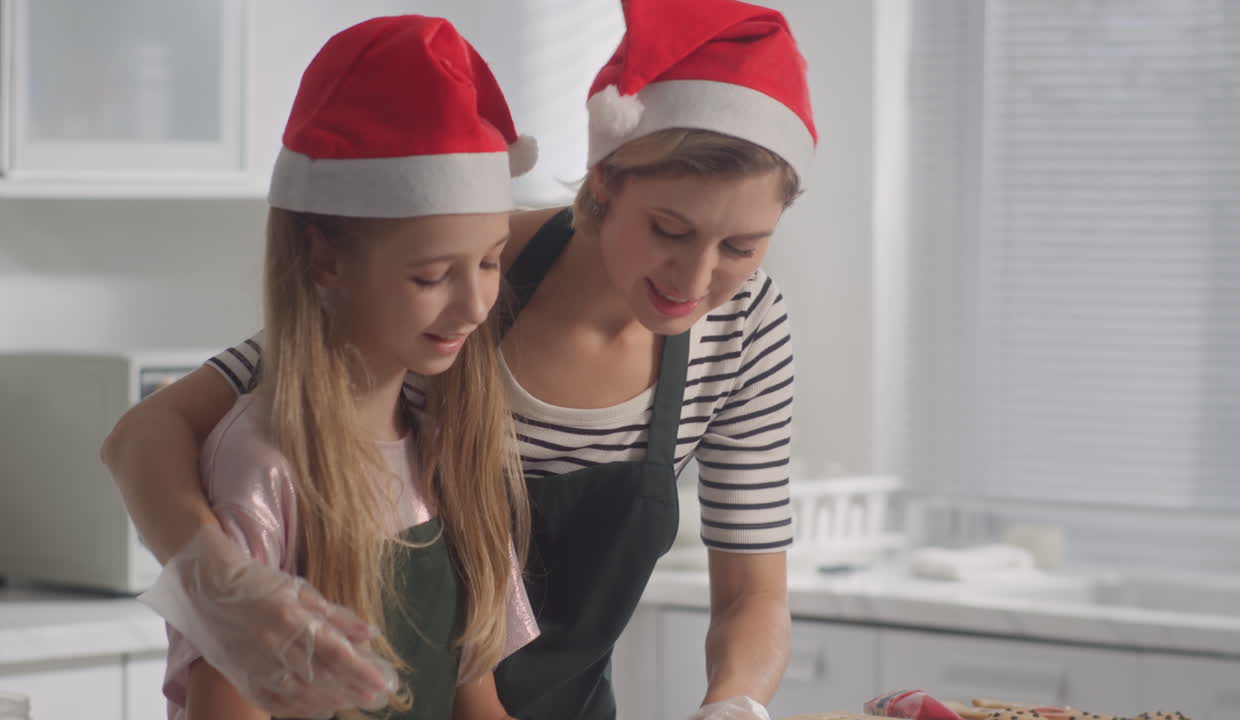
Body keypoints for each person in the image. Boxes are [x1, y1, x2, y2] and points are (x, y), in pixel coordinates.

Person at [103, 1, 817, 718]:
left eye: (742, 248)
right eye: (669, 228)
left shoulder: (745, 327)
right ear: (604, 178)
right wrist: (226, 597)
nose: (696, 283)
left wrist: (735, 706)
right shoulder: (460, 268)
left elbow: (754, 594)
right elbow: (148, 433)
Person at [138, 15, 541, 720]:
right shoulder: (263, 466)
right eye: (432, 276)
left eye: (488, 261)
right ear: (327, 260)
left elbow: (478, 701)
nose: (477, 304)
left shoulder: (452, 453)